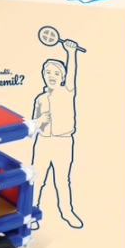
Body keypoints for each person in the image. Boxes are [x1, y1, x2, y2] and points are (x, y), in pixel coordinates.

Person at [31, 39, 83, 228]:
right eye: (48, 72)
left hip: (63, 142)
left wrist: (71, 52)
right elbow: (32, 125)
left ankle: (66, 212)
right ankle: (31, 213)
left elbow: (72, 72)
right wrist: (39, 121)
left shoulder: (67, 91)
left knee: (62, 179)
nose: (51, 76)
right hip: (43, 142)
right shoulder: (40, 98)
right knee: (37, 178)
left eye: (56, 73)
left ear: (63, 77)